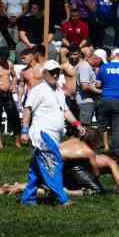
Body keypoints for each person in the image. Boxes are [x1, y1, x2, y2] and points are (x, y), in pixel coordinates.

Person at [20, 60, 82, 206]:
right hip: (42, 134)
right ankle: (62, 199)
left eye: (57, 72)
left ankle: (28, 199)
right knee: (54, 164)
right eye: (52, 72)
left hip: (53, 136)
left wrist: (76, 123)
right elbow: (27, 110)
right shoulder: (38, 90)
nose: (55, 74)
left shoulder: (59, 91)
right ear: (44, 73)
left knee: (36, 169)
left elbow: (65, 110)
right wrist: (24, 130)